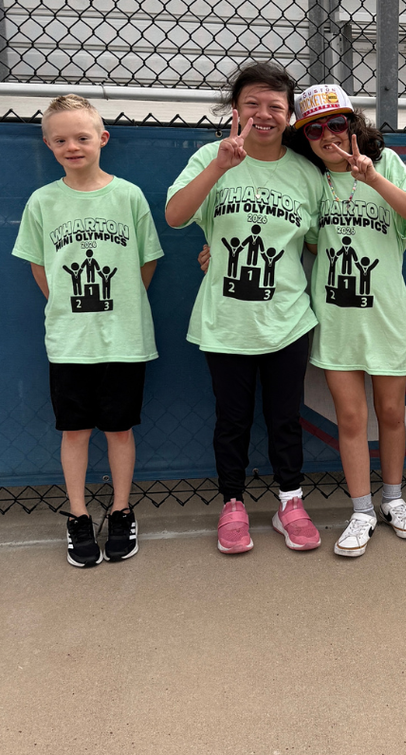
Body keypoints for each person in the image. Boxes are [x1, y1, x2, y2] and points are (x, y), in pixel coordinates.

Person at [165, 62, 323, 555]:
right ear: (236, 109)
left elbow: (320, 241)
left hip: (287, 320)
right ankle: (232, 504)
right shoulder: (211, 158)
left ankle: (290, 503)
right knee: (231, 418)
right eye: (252, 103)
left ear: (290, 115)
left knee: (284, 418)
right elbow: (175, 216)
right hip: (226, 320)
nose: (263, 114)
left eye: (276, 106)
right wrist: (219, 166)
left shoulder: (306, 173)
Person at [12, 95, 163, 567]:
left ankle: (120, 510)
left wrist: (121, 309)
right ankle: (78, 515)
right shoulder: (43, 201)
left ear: (103, 139)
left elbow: (147, 260)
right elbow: (40, 266)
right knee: (74, 430)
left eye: (81, 136)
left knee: (119, 428)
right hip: (70, 341)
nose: (71, 146)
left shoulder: (128, 195)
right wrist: (67, 306)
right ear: (47, 144)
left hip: (124, 338)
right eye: (60, 139)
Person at [293, 83, 406, 557]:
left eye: (338, 123)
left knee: (391, 413)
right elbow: (303, 241)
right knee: (350, 418)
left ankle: (393, 499)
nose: (328, 135)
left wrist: (372, 178)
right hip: (337, 319)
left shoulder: (386, 163)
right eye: (315, 129)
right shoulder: (310, 179)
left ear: (354, 124)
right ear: (304, 138)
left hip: (387, 315)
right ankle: (362, 510)